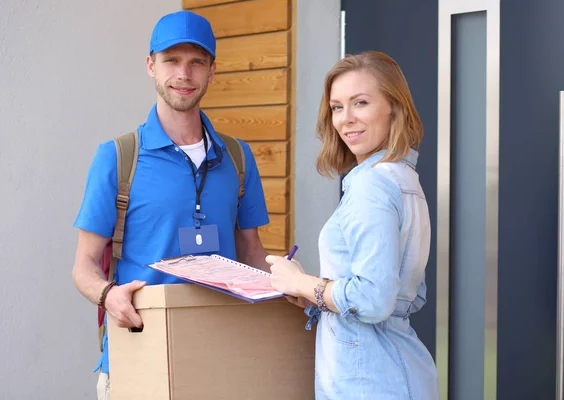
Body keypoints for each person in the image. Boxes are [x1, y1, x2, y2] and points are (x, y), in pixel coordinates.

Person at [71, 10, 270, 400]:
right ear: (151, 66)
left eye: (196, 62)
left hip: (222, 356)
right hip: (137, 353)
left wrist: (294, 286)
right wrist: (108, 294)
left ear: (212, 71)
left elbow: (252, 253)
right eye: (172, 61)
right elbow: (84, 266)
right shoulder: (117, 157)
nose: (184, 74)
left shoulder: (239, 157)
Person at [266, 51, 439, 399]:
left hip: (370, 381)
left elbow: (374, 300)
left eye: (360, 102)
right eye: (337, 107)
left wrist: (303, 282)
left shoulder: (371, 184)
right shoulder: (405, 177)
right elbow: (407, 296)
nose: (346, 119)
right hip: (399, 370)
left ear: (393, 106)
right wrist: (313, 296)